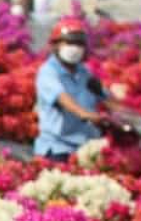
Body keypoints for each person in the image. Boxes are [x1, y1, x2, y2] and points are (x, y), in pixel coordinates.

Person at [34, 17, 108, 161]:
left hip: (85, 146)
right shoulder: (48, 72)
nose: (75, 48)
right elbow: (62, 98)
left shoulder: (84, 72)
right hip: (58, 148)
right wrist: (85, 114)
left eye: (79, 43)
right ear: (56, 45)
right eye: (69, 42)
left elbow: (104, 95)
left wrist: (128, 114)